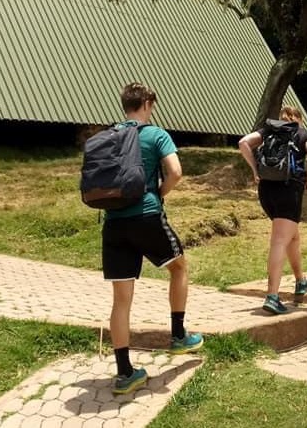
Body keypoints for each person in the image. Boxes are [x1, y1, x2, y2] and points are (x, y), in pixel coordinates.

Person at [102, 82, 203, 396]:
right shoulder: (156, 134)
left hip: (113, 223)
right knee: (179, 267)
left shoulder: (109, 136)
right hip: (146, 216)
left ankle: (125, 373)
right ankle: (178, 336)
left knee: (121, 299)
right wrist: (159, 193)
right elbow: (175, 171)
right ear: (146, 104)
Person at [238, 106, 307, 314]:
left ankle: (301, 281)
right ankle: (272, 296)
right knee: (280, 240)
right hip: (288, 190)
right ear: (299, 119)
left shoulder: (269, 130)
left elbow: (243, 142)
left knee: (292, 236)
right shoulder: (303, 134)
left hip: (266, 191)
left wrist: (255, 170)